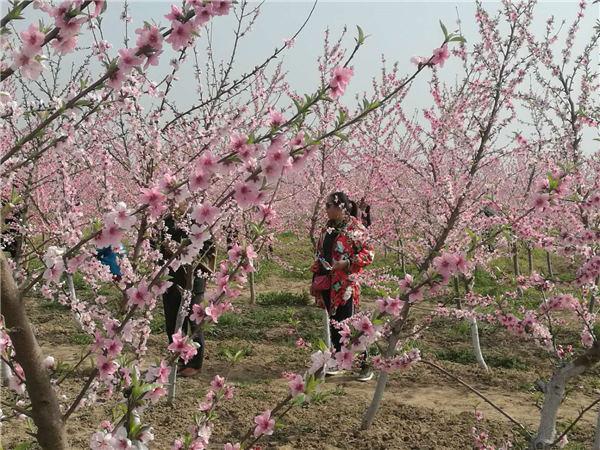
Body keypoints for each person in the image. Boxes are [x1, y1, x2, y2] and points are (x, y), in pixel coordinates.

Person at [311, 191, 375, 381]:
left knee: (350, 325)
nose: (326, 210)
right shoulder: (326, 229)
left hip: (346, 286)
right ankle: (337, 361)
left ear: (340, 207)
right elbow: (319, 256)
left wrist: (347, 264)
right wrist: (314, 281)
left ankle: (366, 364)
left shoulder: (354, 228)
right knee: (333, 323)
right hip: (328, 284)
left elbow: (369, 254)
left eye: (329, 206)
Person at [158, 206, 216, 378]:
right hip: (170, 277)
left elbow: (208, 246)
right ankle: (180, 358)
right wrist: (164, 248)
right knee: (173, 321)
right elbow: (155, 243)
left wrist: (182, 248)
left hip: (193, 277)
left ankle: (195, 363)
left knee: (194, 318)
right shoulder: (165, 221)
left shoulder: (197, 219)